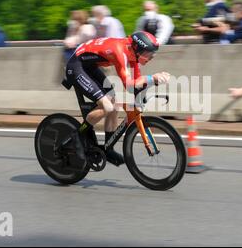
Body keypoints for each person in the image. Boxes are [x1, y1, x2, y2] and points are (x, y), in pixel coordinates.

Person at [65, 31, 170, 165]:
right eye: (148, 54)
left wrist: (149, 85)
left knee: (114, 103)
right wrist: (152, 78)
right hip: (76, 67)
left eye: (152, 54)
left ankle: (108, 149)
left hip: (89, 67)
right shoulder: (120, 52)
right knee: (107, 106)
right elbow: (130, 84)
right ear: (137, 49)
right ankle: (76, 136)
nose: (150, 58)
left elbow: (136, 84)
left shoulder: (133, 54)